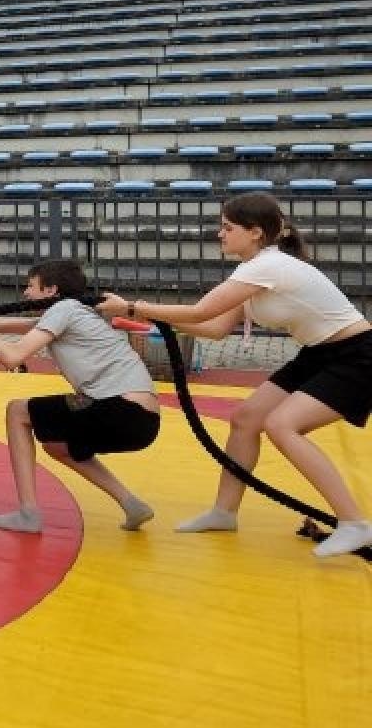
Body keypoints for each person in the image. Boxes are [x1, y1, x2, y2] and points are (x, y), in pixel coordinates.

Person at [96, 192, 372, 559]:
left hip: (358, 356)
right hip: (319, 353)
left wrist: (132, 306)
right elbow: (214, 328)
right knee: (245, 420)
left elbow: (198, 311)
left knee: (281, 425)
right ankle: (224, 512)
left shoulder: (266, 267)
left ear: (255, 232)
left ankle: (354, 522)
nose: (220, 234)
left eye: (227, 228)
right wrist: (150, 320)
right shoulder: (254, 271)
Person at [0, 259, 159, 534]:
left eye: (30, 286)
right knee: (58, 446)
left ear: (51, 290)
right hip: (143, 421)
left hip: (120, 410)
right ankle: (131, 503)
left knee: (17, 411)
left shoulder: (64, 309)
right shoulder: (75, 312)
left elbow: (12, 357)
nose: (25, 293)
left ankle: (28, 513)